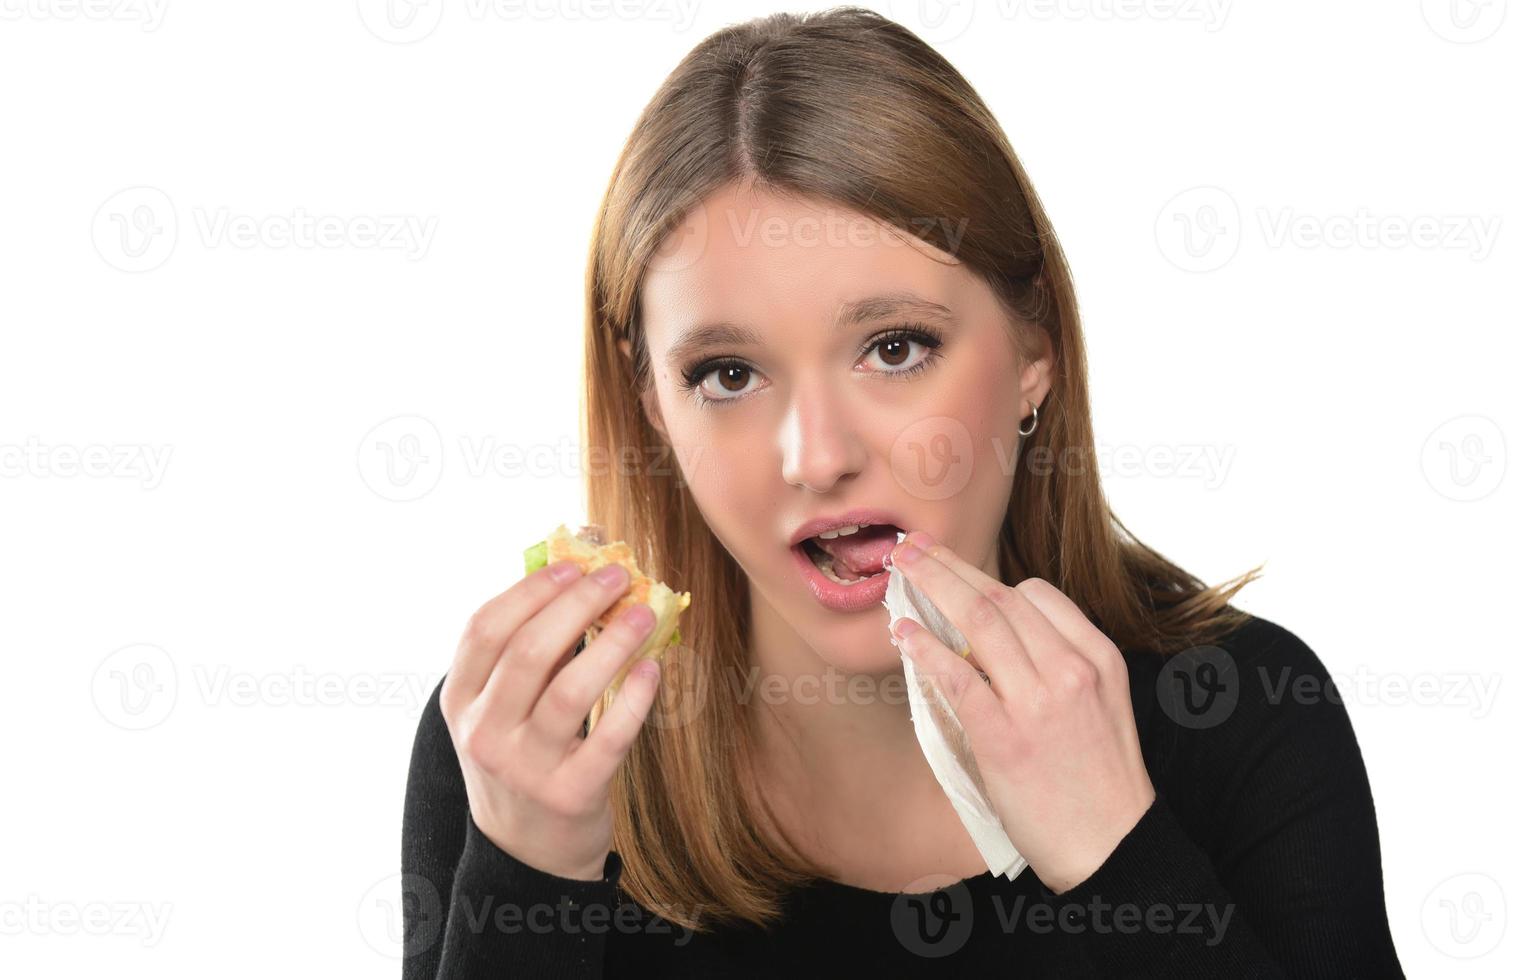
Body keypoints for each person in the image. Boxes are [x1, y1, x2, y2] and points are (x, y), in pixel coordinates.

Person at [402, 8, 1404, 976]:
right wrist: (525, 875)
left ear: (1033, 354)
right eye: (728, 373)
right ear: (653, 404)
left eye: (894, 347)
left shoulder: (1243, 716)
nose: (817, 454)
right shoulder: (525, 746)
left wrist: (1119, 853)